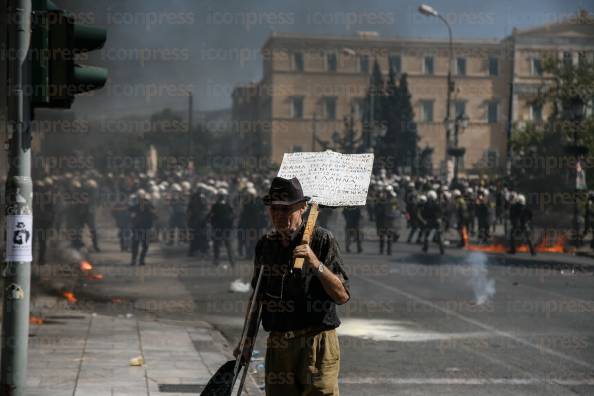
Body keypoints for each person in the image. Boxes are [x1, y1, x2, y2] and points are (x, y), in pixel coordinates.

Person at [235, 176, 350, 396]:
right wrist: (247, 341)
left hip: (316, 343)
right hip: (279, 345)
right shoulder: (266, 245)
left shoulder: (321, 239)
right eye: (274, 209)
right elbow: (258, 297)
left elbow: (342, 295)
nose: (278, 215)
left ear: (303, 208)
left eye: (286, 209)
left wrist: (315, 263)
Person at [207, 189, 235, 267]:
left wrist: (206, 221)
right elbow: (233, 215)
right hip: (226, 228)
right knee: (228, 246)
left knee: (217, 245)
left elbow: (210, 215)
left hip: (218, 228)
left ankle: (217, 261)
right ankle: (232, 262)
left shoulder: (215, 205)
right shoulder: (228, 205)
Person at [129, 190, 157, 266]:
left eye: (143, 199)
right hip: (137, 228)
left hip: (146, 228)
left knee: (145, 245)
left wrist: (152, 227)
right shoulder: (134, 206)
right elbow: (130, 214)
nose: (141, 200)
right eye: (139, 198)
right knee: (135, 244)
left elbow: (155, 216)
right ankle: (133, 260)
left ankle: (142, 259)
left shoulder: (150, 206)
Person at [421, 190, 444, 255]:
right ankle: (441, 249)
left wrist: (424, 220)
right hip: (436, 221)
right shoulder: (437, 204)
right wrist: (440, 218)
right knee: (439, 236)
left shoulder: (426, 204)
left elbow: (423, 213)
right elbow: (441, 212)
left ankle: (425, 247)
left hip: (428, 221)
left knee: (427, 234)